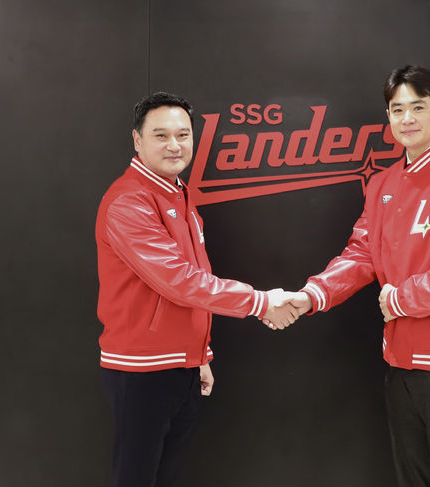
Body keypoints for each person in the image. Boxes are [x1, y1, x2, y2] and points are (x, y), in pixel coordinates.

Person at [287, 65, 430, 487]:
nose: (407, 119)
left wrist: (397, 300)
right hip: (401, 358)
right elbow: (362, 253)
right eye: (397, 109)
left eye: (418, 108)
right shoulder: (384, 183)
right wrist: (313, 295)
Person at [95, 91, 298, 487]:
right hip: (143, 371)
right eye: (161, 135)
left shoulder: (177, 192)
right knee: (136, 478)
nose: (174, 145)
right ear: (137, 140)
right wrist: (260, 302)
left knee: (166, 477)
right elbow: (179, 281)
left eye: (183, 135)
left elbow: (193, 278)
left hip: (180, 367)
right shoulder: (129, 202)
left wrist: (198, 355)